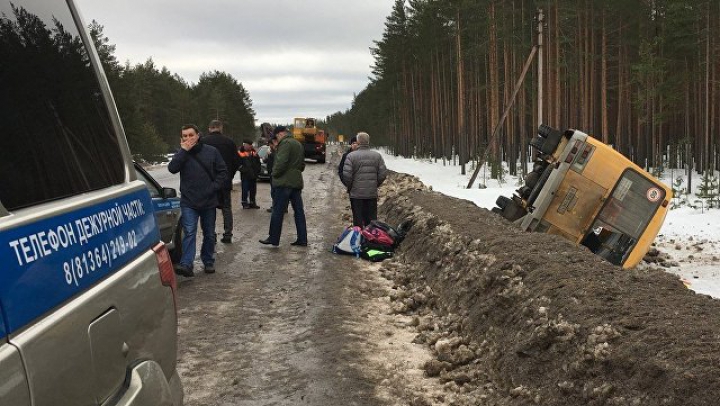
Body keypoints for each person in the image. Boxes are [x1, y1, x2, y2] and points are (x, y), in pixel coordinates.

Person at [168, 124, 228, 276]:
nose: (188, 138)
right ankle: (186, 264)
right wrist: (183, 151)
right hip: (189, 201)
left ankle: (208, 261)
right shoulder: (182, 153)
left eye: (191, 135)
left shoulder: (211, 151)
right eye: (185, 136)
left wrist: (213, 187)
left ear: (198, 135)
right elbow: (172, 168)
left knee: (209, 233)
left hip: (208, 200)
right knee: (189, 232)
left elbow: (223, 172)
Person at [259, 125, 307, 247]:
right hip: (296, 182)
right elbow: (302, 165)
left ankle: (273, 238)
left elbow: (281, 162)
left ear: (280, 134)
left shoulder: (285, 144)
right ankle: (302, 239)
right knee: (299, 212)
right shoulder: (298, 144)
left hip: (283, 183)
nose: (277, 139)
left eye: (276, 137)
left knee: (277, 211)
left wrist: (274, 174)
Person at [201, 119, 240, 243]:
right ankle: (227, 234)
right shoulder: (230, 142)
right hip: (225, 181)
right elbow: (237, 162)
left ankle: (211, 236)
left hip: (208, 183)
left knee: (209, 209)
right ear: (221, 128)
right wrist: (230, 175)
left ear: (209, 128)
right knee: (226, 208)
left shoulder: (203, 142)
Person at [342, 132, 387, 227]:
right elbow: (383, 174)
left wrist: (350, 187)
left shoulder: (351, 156)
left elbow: (346, 175)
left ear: (358, 142)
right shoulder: (377, 156)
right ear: (368, 142)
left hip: (356, 195)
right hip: (371, 194)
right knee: (371, 222)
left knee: (357, 221)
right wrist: (375, 185)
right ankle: (370, 240)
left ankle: (358, 239)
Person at [238, 140, 261, 209]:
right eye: (245, 145)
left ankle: (252, 203)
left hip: (254, 175)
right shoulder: (240, 153)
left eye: (248, 145)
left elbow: (258, 163)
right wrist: (244, 170)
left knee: (253, 190)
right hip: (245, 176)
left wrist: (257, 171)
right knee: (245, 190)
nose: (247, 146)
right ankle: (244, 203)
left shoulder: (254, 153)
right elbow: (237, 164)